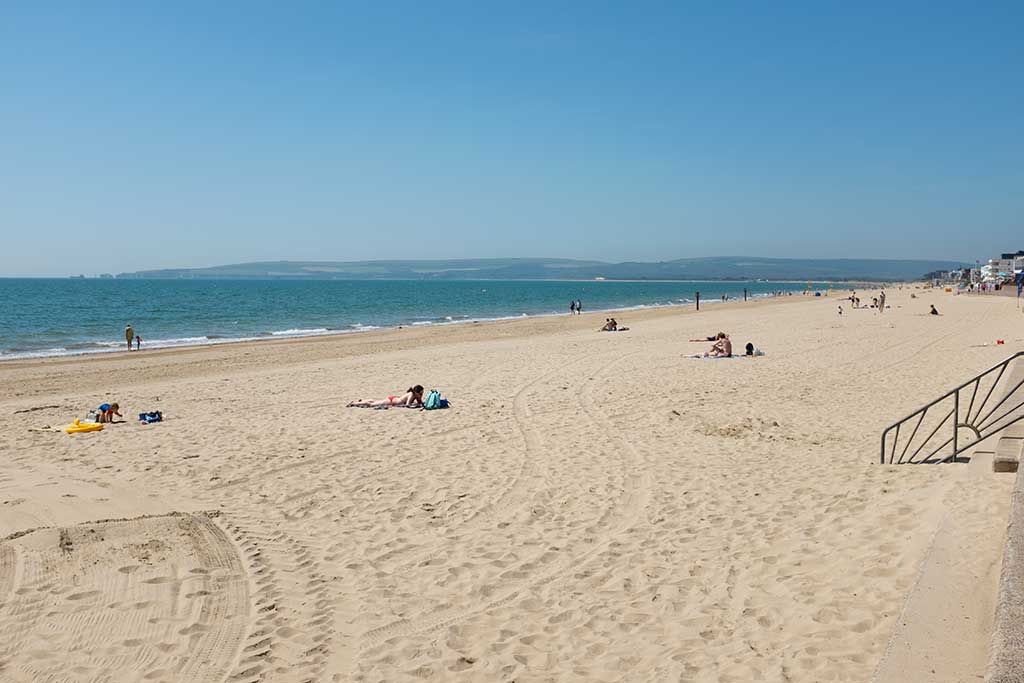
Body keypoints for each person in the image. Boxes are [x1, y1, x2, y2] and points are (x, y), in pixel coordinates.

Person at [348, 385, 425, 408]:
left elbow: (421, 403)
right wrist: (417, 406)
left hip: (393, 401)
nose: (421, 395)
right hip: (391, 401)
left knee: (374, 401)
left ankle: (361, 401)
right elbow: (408, 405)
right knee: (371, 404)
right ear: (416, 392)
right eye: (420, 393)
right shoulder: (411, 395)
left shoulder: (416, 396)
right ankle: (354, 403)